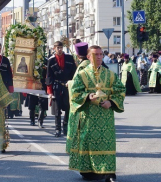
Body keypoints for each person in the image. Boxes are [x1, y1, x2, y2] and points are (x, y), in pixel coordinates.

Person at [67, 45, 125, 182]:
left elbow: (120, 91)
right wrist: (88, 97)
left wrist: (111, 102)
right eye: (95, 54)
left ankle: (109, 173)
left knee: (107, 144)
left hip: (105, 117)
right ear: (88, 57)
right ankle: (88, 171)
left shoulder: (110, 74)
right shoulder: (82, 75)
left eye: (100, 54)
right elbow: (75, 93)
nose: (99, 57)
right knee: (88, 144)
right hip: (88, 116)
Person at [46, 41, 76, 137]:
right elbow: (48, 77)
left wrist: (73, 85)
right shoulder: (51, 60)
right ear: (54, 48)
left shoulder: (69, 58)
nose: (59, 49)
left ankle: (65, 127)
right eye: (57, 47)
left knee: (68, 107)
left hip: (67, 85)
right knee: (57, 109)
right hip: (56, 86)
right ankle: (57, 129)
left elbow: (74, 73)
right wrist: (50, 92)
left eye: (61, 47)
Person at [0, 42, 14, 118]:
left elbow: (10, 74)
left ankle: (2, 122)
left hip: (4, 86)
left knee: (3, 105)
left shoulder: (5, 60)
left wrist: (10, 87)